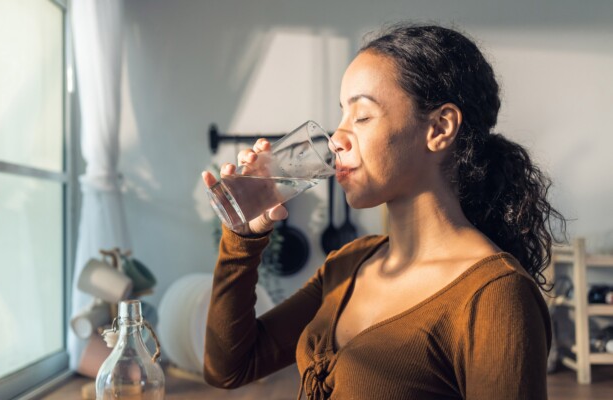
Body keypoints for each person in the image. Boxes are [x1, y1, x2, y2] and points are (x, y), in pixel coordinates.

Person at [201, 23, 566, 400]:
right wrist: (243, 237)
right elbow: (228, 367)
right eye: (341, 115)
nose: (336, 139)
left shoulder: (494, 296)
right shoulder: (348, 265)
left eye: (361, 116)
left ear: (439, 128)